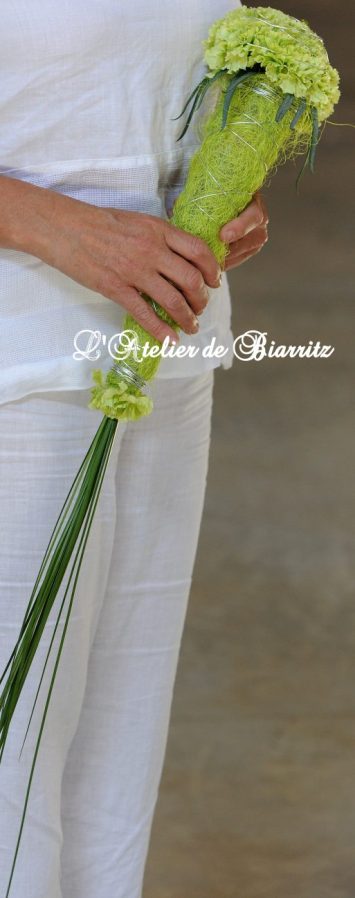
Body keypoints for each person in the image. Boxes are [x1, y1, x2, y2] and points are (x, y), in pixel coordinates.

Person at [0, 2, 268, 897]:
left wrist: (221, 187)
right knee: (14, 762)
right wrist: (43, 221)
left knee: (118, 742)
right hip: (18, 358)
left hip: (165, 346)